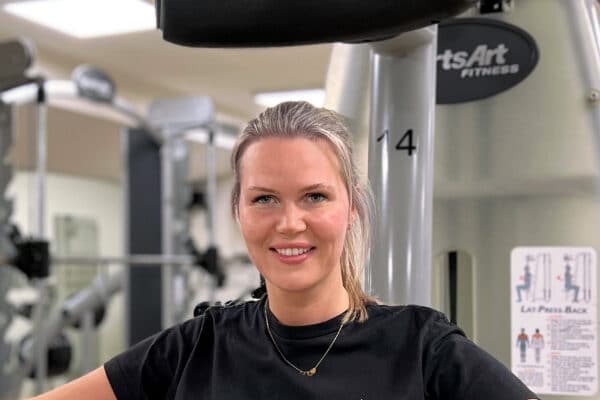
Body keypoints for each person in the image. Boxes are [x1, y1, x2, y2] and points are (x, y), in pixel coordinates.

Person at [29, 101, 539, 399]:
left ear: (351, 208)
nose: (290, 223)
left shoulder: (424, 350)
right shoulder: (195, 349)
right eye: (265, 199)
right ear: (239, 211)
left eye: (315, 196)